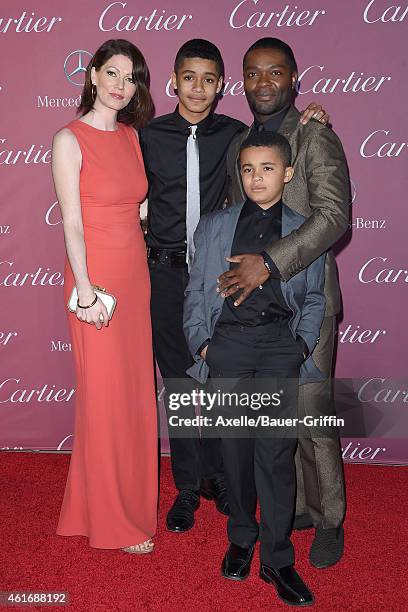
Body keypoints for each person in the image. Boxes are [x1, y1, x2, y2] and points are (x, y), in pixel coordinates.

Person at [139, 38, 328, 533]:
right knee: (181, 383)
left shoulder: (237, 134)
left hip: (224, 269)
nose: (198, 88)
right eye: (188, 77)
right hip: (164, 270)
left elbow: (277, 148)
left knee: (227, 381)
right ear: (173, 80)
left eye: (209, 79)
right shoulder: (148, 135)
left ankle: (224, 479)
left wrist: (312, 118)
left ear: (222, 86)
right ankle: (186, 487)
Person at [220, 37, 350, 568]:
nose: (264, 82)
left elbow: (334, 216)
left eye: (276, 72)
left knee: (313, 416)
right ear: (243, 82)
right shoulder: (240, 143)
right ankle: (293, 507)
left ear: (294, 78)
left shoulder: (314, 135)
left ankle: (330, 521)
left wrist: (271, 262)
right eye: (253, 73)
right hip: (253, 310)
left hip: (306, 299)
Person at [184, 131, 326, 606]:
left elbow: (314, 299)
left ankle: (278, 558)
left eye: (267, 168)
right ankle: (241, 538)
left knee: (275, 456)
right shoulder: (215, 225)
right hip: (227, 348)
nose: (256, 178)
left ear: (286, 174)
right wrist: (203, 344)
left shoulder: (304, 230)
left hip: (278, 349)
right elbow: (196, 292)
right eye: (248, 169)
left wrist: (300, 346)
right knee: (235, 453)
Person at [51, 39, 158, 553]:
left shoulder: (132, 138)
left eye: (130, 76)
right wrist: (87, 290)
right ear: (92, 75)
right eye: (112, 73)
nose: (120, 85)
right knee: (104, 397)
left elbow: (136, 208)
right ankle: (115, 523)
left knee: (132, 397)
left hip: (135, 279)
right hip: (95, 283)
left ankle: (95, 509)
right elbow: (72, 221)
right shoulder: (68, 139)